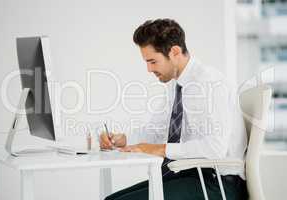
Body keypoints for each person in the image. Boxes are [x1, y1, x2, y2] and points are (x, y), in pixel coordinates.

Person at [100, 18, 248, 200]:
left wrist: (160, 149)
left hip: (218, 183)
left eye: (153, 61)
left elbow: (215, 148)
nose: (148, 69)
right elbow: (156, 129)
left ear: (175, 52)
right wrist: (123, 140)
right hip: (191, 175)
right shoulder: (178, 85)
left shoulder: (209, 83)